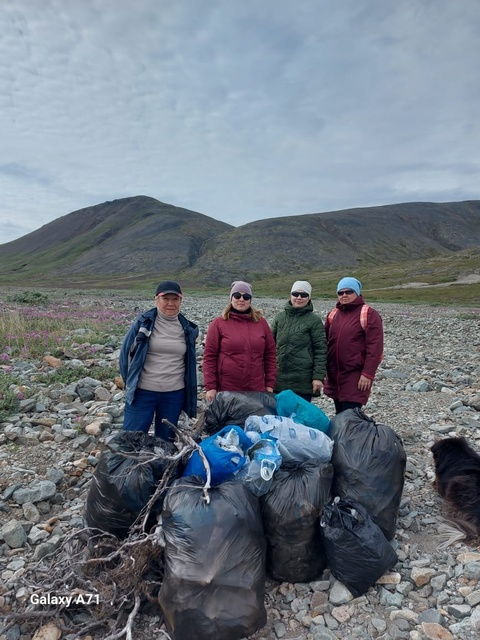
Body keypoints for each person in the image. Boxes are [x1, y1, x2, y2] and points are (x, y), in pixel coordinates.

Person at [119, 280, 198, 441]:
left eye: (175, 299)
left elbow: (188, 362)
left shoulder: (187, 328)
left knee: (166, 441)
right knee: (131, 439)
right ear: (156, 299)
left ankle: (161, 466)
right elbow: (125, 355)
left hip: (174, 394)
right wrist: (131, 383)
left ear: (181, 301)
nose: (170, 303)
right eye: (165, 298)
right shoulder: (143, 323)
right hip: (143, 392)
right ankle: (129, 466)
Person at [203, 281, 277, 402]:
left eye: (246, 297)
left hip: (256, 387)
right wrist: (211, 387)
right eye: (237, 296)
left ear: (250, 300)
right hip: (227, 387)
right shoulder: (218, 324)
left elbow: (270, 355)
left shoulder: (261, 323)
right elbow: (209, 357)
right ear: (231, 298)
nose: (241, 299)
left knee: (254, 420)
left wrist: (269, 384)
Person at [323, 277, 383, 414]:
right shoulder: (333, 314)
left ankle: (350, 435)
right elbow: (324, 342)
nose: (344, 295)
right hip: (334, 374)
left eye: (348, 292)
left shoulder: (368, 314)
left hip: (355, 375)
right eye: (340, 292)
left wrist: (368, 373)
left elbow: (375, 347)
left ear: (357, 292)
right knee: (339, 413)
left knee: (351, 414)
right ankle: (340, 435)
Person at [270, 280, 327, 402]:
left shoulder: (314, 321)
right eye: (295, 294)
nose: (299, 298)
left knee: (299, 418)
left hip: (302, 380)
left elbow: (321, 350)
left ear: (309, 297)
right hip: (279, 379)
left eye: (304, 295)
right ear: (290, 295)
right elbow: (269, 346)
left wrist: (318, 377)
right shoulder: (279, 318)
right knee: (278, 418)